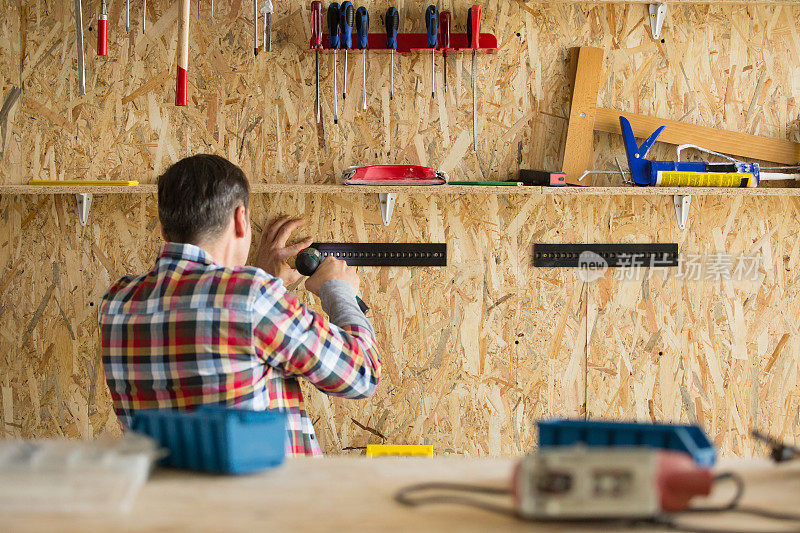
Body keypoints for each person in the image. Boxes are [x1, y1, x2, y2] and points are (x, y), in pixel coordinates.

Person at [98, 154, 380, 456]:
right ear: (239, 219)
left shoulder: (117, 303)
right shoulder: (251, 298)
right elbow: (362, 375)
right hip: (263, 500)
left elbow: (226, 339)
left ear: (166, 231)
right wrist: (338, 290)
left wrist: (267, 284)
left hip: (172, 499)